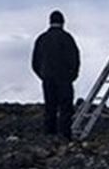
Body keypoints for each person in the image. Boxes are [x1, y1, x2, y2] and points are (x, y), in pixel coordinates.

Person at [31, 10, 81, 138]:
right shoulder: (67, 38)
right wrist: (72, 76)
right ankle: (64, 135)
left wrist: (43, 75)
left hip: (47, 79)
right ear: (63, 22)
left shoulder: (42, 39)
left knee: (50, 107)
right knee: (65, 108)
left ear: (50, 21)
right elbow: (74, 58)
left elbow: (35, 62)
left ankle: (49, 135)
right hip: (64, 79)